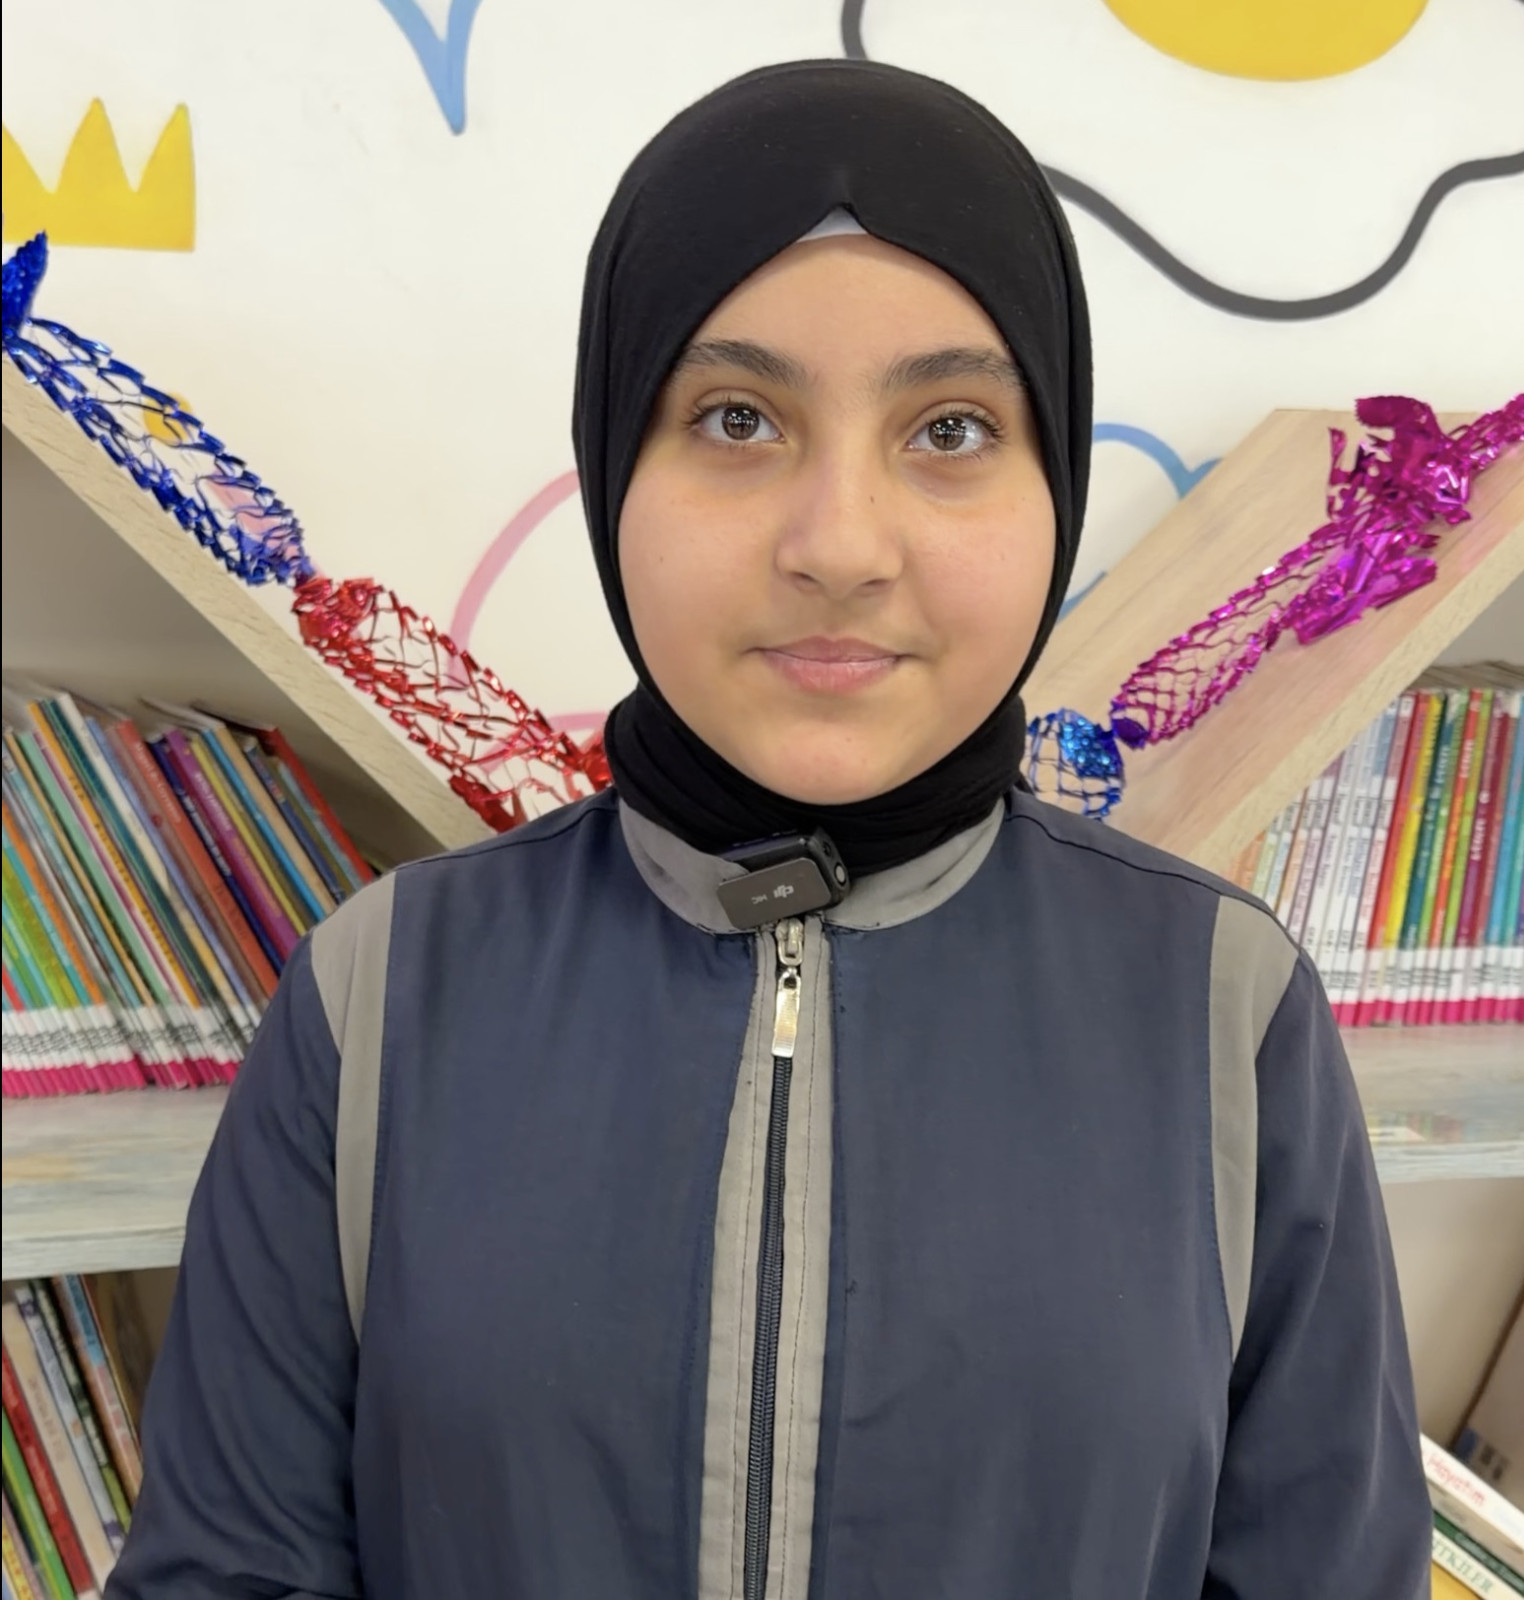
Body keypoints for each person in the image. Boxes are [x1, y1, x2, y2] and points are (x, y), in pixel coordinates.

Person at [109, 59, 1432, 1600]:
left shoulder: (1223, 1007)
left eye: (950, 429)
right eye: (737, 417)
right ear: (618, 457)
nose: (841, 546)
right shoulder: (382, 992)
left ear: (1054, 475)